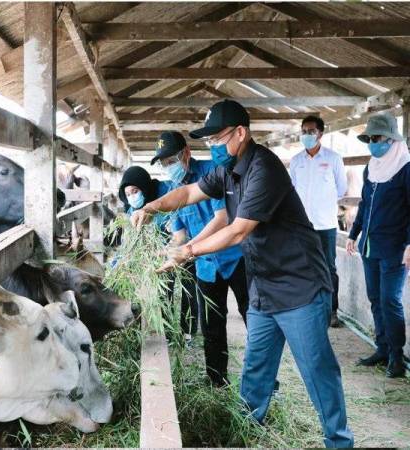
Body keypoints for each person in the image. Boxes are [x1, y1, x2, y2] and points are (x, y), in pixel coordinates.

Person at [132, 100, 353, 448]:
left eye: (217, 138)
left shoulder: (264, 167)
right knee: (256, 369)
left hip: (299, 286)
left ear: (240, 133)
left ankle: (338, 441)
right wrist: (151, 206)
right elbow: (190, 192)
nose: (213, 147)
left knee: (317, 370)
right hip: (264, 285)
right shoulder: (228, 169)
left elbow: (238, 230)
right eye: (209, 142)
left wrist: (186, 251)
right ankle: (246, 432)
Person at [150, 130, 249, 387]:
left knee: (254, 318)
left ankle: (266, 381)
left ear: (186, 153)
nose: (168, 167)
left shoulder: (212, 172)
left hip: (234, 256)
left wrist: (188, 250)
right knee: (212, 324)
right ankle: (216, 378)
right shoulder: (174, 189)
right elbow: (179, 235)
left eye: (171, 160)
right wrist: (160, 253)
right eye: (163, 163)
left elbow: (221, 219)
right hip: (206, 264)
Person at [346, 113, 409, 379]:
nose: (373, 143)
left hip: (396, 247)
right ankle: (382, 348)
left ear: (392, 139)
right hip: (370, 246)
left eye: (378, 138)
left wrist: (409, 244)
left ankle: (397, 355)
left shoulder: (405, 168)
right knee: (375, 299)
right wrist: (353, 233)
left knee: (390, 300)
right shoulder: (371, 168)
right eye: (370, 139)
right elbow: (363, 204)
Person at [118, 165, 198, 344]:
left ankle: (188, 332)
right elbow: (128, 242)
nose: (132, 197)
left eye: (135, 191)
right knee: (164, 291)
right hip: (160, 253)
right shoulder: (133, 212)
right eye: (128, 194)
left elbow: (181, 227)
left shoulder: (166, 193)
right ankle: (167, 331)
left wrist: (175, 246)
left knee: (189, 289)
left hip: (185, 246)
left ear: (144, 187)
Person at [290, 115, 347, 327]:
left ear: (320, 134)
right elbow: (291, 191)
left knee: (328, 268)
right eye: (303, 131)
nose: (306, 135)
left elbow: (341, 189)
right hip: (302, 225)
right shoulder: (296, 161)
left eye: (310, 131)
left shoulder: (333, 159)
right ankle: (305, 308)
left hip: (326, 225)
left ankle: (331, 311)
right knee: (301, 266)